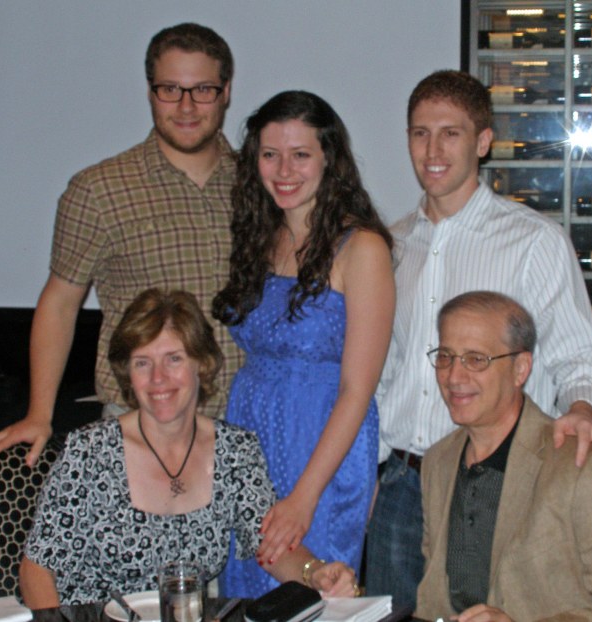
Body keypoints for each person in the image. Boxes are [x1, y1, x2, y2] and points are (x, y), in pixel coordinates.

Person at [365, 69, 592, 608]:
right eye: (419, 133)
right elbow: (385, 369)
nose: (432, 149)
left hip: (488, 485)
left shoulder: (533, 242)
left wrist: (582, 408)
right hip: (400, 486)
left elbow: (579, 354)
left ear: (483, 142)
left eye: (451, 133)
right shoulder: (392, 245)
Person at [0, 23, 243, 466]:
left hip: (245, 425)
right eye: (170, 89)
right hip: (138, 426)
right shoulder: (99, 190)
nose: (187, 106)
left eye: (203, 89)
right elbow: (60, 303)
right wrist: (39, 413)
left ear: (226, 91)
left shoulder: (260, 183)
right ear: (151, 91)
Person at [19, 288, 358, 608]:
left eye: (173, 359)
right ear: (127, 374)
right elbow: (36, 570)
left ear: (202, 363)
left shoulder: (235, 451)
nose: (158, 378)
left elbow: (271, 545)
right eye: (142, 362)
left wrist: (316, 574)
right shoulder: (89, 452)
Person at [212, 91, 395, 598]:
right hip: (250, 432)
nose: (283, 169)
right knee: (249, 586)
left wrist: (303, 498)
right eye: (270, 154)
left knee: (313, 594)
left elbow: (358, 390)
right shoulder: (259, 237)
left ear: (329, 159)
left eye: (301, 154)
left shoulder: (362, 248)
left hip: (320, 446)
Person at [415, 291, 592, 620]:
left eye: (476, 359)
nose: (454, 376)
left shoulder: (582, 464)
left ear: (520, 369)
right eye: (445, 356)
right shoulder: (438, 461)